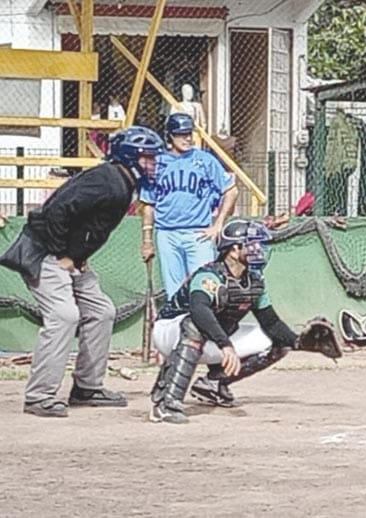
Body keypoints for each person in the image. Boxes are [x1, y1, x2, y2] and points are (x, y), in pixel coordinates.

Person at [0, 126, 165, 417]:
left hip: (70, 256)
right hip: (43, 251)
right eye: (148, 158)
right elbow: (57, 210)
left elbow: (88, 225)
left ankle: (87, 387)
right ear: (130, 157)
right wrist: (63, 254)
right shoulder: (107, 180)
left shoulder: (121, 182)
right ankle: (39, 396)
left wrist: (78, 256)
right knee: (64, 315)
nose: (153, 164)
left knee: (102, 311)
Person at [148, 219, 341, 424]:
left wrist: (298, 343)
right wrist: (225, 344)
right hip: (169, 332)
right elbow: (199, 311)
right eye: (252, 244)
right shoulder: (210, 275)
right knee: (194, 325)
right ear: (233, 250)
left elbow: (272, 323)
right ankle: (166, 404)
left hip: (211, 339)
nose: (258, 249)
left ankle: (213, 384)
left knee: (276, 342)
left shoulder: (254, 281)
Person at [139, 113, 239, 298]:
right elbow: (148, 204)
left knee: (205, 289)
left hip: (198, 233)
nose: (187, 138)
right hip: (167, 234)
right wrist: (147, 241)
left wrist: (218, 224)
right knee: (174, 293)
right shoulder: (158, 163)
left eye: (189, 133)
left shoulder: (205, 160)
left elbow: (231, 191)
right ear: (169, 136)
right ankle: (180, 318)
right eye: (180, 134)